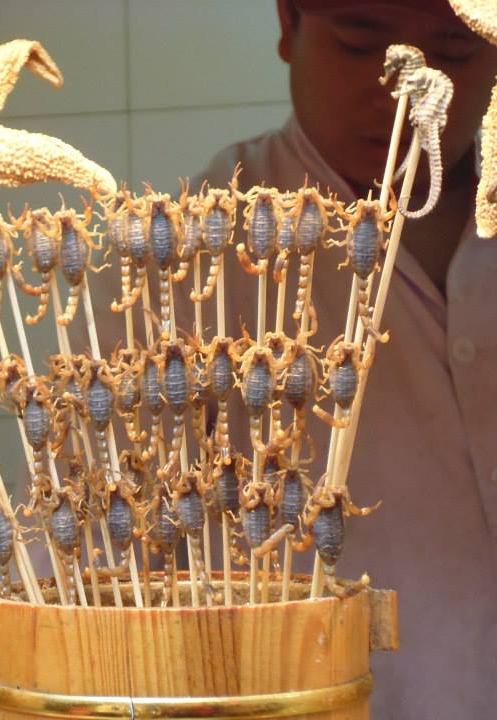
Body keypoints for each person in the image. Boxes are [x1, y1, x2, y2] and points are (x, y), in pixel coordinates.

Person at [187, 1, 497, 716]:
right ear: (289, 24)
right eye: (361, 40)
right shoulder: (198, 243)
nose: (407, 90)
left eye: (455, 48)